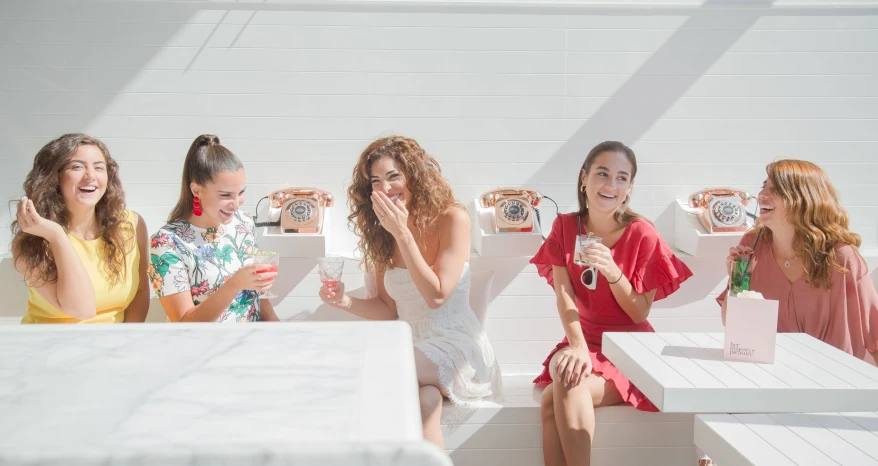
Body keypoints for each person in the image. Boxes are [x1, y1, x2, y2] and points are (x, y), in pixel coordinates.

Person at [318, 135, 500, 448]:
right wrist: (343, 300)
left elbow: (437, 296)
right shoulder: (381, 234)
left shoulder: (452, 219)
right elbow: (388, 310)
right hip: (413, 346)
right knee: (426, 402)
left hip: (456, 347)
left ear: (414, 176)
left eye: (393, 177)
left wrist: (403, 233)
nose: (385, 188)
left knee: (372, 371)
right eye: (375, 181)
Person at [533, 141, 693, 466]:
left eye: (622, 178)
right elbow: (564, 295)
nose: (610, 185)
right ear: (584, 179)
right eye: (602, 174)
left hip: (630, 350)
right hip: (583, 342)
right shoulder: (566, 227)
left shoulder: (642, 234)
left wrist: (612, 270)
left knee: (562, 392)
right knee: (558, 386)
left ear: (630, 188)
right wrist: (577, 347)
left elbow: (639, 312)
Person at [720, 159, 878, 361]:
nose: (761, 195)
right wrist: (738, 280)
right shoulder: (752, 245)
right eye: (764, 186)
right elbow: (733, 326)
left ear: (803, 199)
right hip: (771, 375)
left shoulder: (841, 258)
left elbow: (874, 338)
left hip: (829, 378)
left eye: (775, 189)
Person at [12, 133, 149, 324]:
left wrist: (127, 341)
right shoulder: (31, 240)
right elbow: (81, 309)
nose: (90, 176)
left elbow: (141, 292)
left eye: (99, 167)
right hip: (48, 347)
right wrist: (58, 236)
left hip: (115, 347)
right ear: (55, 177)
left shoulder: (131, 224)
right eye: (77, 167)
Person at [148, 134, 278, 322]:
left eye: (241, 192)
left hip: (251, 343)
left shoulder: (244, 223)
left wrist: (279, 329)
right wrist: (234, 284)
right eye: (225, 195)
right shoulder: (167, 242)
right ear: (196, 190)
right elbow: (184, 322)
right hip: (203, 348)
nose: (236, 204)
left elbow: (259, 298)